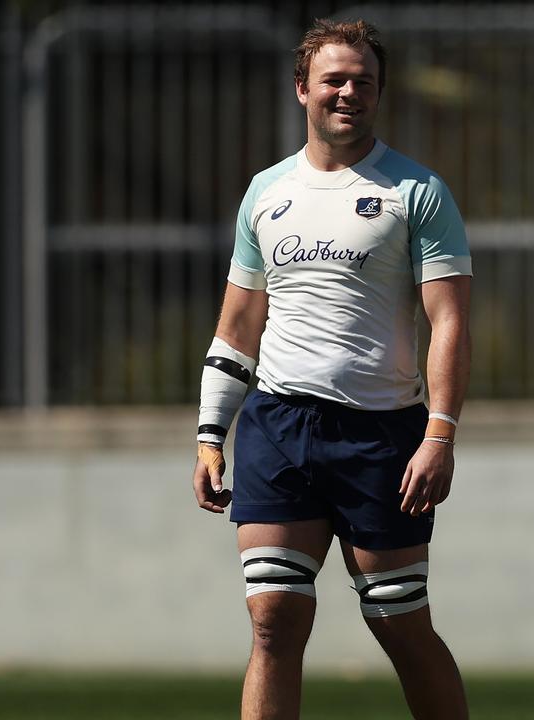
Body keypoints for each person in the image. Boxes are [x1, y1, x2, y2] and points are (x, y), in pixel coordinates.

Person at [191, 19, 471, 720]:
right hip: (278, 426)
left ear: (378, 92)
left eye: (363, 82)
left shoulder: (418, 192)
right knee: (273, 622)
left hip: (383, 436)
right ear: (301, 90)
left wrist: (439, 434)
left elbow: (451, 323)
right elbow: (238, 325)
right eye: (334, 80)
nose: (348, 92)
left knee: (398, 623)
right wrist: (208, 432)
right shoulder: (265, 193)